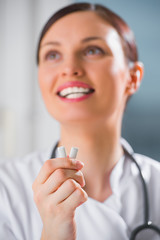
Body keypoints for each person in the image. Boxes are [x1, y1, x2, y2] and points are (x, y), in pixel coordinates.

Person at [0, 2, 160, 240]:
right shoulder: (6, 188)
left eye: (92, 50)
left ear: (133, 78)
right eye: (53, 55)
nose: (70, 68)